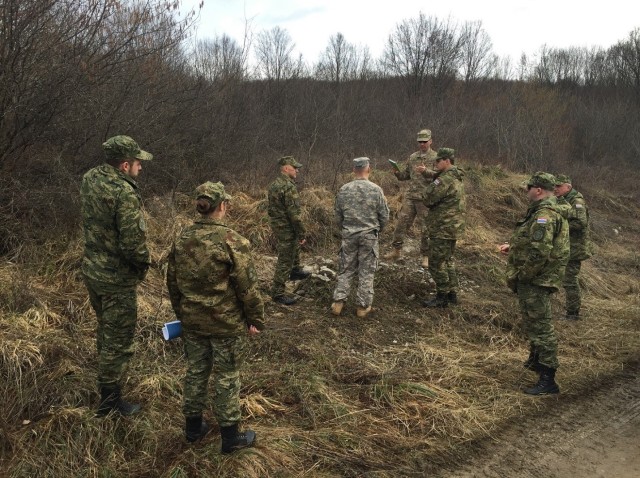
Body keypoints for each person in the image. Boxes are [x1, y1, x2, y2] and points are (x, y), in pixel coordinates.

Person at [166, 181, 264, 453]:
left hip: (192, 321)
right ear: (222, 205)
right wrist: (255, 319)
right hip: (225, 324)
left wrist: (182, 314)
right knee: (227, 375)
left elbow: (172, 284)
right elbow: (247, 288)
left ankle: (192, 428)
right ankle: (231, 438)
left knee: (196, 371)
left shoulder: (182, 239)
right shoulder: (233, 241)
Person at [80, 135, 152, 416]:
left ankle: (106, 387)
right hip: (115, 279)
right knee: (118, 340)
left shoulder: (90, 178)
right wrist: (143, 266)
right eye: (137, 163)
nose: (140, 168)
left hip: (92, 271)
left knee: (105, 331)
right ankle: (109, 403)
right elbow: (132, 242)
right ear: (124, 165)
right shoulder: (124, 192)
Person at [498, 172, 569, 395]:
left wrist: (523, 275)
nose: (526, 190)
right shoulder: (542, 212)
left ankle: (548, 378)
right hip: (538, 278)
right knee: (534, 323)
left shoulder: (544, 216)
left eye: (528, 187)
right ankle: (537, 362)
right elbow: (536, 243)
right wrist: (515, 247)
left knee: (541, 327)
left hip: (537, 280)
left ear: (538, 190)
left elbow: (540, 251)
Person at [331, 157, 390, 318]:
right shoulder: (376, 190)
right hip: (368, 236)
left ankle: (338, 302)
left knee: (345, 269)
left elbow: (337, 215)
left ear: (354, 170)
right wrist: (378, 230)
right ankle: (362, 307)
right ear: (368, 169)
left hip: (349, 235)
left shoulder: (344, 189)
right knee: (366, 272)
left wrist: (345, 229)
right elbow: (384, 216)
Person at [385, 129, 437, 265]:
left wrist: (426, 172)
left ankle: (426, 255)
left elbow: (439, 177)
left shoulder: (436, 158)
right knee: (401, 223)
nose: (422, 144)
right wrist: (397, 172)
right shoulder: (413, 157)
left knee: (425, 227)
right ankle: (396, 250)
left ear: (430, 141)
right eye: (420, 142)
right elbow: (405, 176)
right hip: (410, 196)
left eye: (425, 142)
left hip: (425, 198)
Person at [420, 148, 465, 308]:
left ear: (447, 161)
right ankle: (452, 293)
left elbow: (428, 198)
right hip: (452, 227)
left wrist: (429, 188)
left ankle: (442, 296)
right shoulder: (456, 175)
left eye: (438, 161)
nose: (436, 164)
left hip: (442, 227)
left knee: (436, 262)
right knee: (447, 260)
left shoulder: (445, 179)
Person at [267, 156, 310, 305]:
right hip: (286, 227)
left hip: (279, 225)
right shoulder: (288, 187)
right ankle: (277, 293)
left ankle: (295, 270)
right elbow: (295, 215)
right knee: (285, 260)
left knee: (293, 248)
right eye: (294, 167)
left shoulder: (274, 185)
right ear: (286, 168)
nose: (297, 170)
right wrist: (302, 232)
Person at [554, 174, 593, 320]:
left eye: (559, 186)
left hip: (574, 248)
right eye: (554, 186)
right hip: (566, 245)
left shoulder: (576, 201)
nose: (555, 189)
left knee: (570, 280)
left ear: (568, 187)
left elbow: (580, 223)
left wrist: (559, 227)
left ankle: (573, 314)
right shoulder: (563, 199)